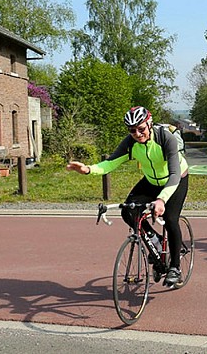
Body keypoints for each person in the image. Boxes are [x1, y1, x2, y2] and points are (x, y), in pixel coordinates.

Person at [66, 106, 189, 287]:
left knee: (170, 219)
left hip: (175, 180)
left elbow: (174, 174)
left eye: (141, 128)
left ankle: (175, 268)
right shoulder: (130, 143)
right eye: (132, 130)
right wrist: (88, 169)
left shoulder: (165, 138)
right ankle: (154, 240)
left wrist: (162, 199)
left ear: (149, 123)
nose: (138, 134)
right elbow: (110, 163)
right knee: (128, 211)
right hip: (151, 181)